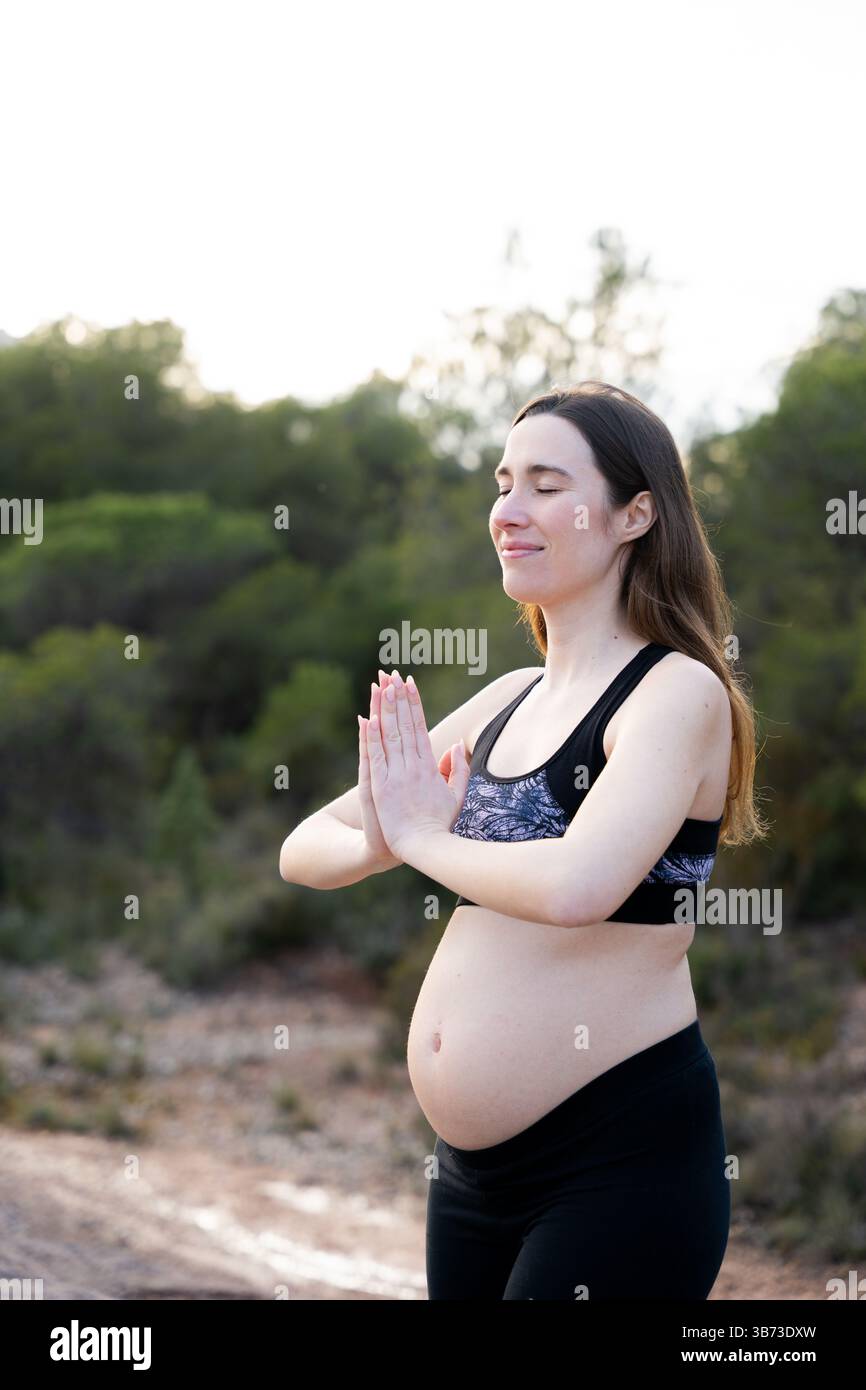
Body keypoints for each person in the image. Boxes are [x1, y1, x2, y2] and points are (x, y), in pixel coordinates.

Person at [279, 381, 767, 1300]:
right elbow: (304, 848)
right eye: (504, 483)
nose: (509, 510)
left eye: (547, 484)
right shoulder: (508, 698)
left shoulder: (677, 694)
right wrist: (391, 835)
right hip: (468, 1179)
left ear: (634, 513)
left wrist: (421, 830)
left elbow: (582, 885)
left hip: (617, 1161)